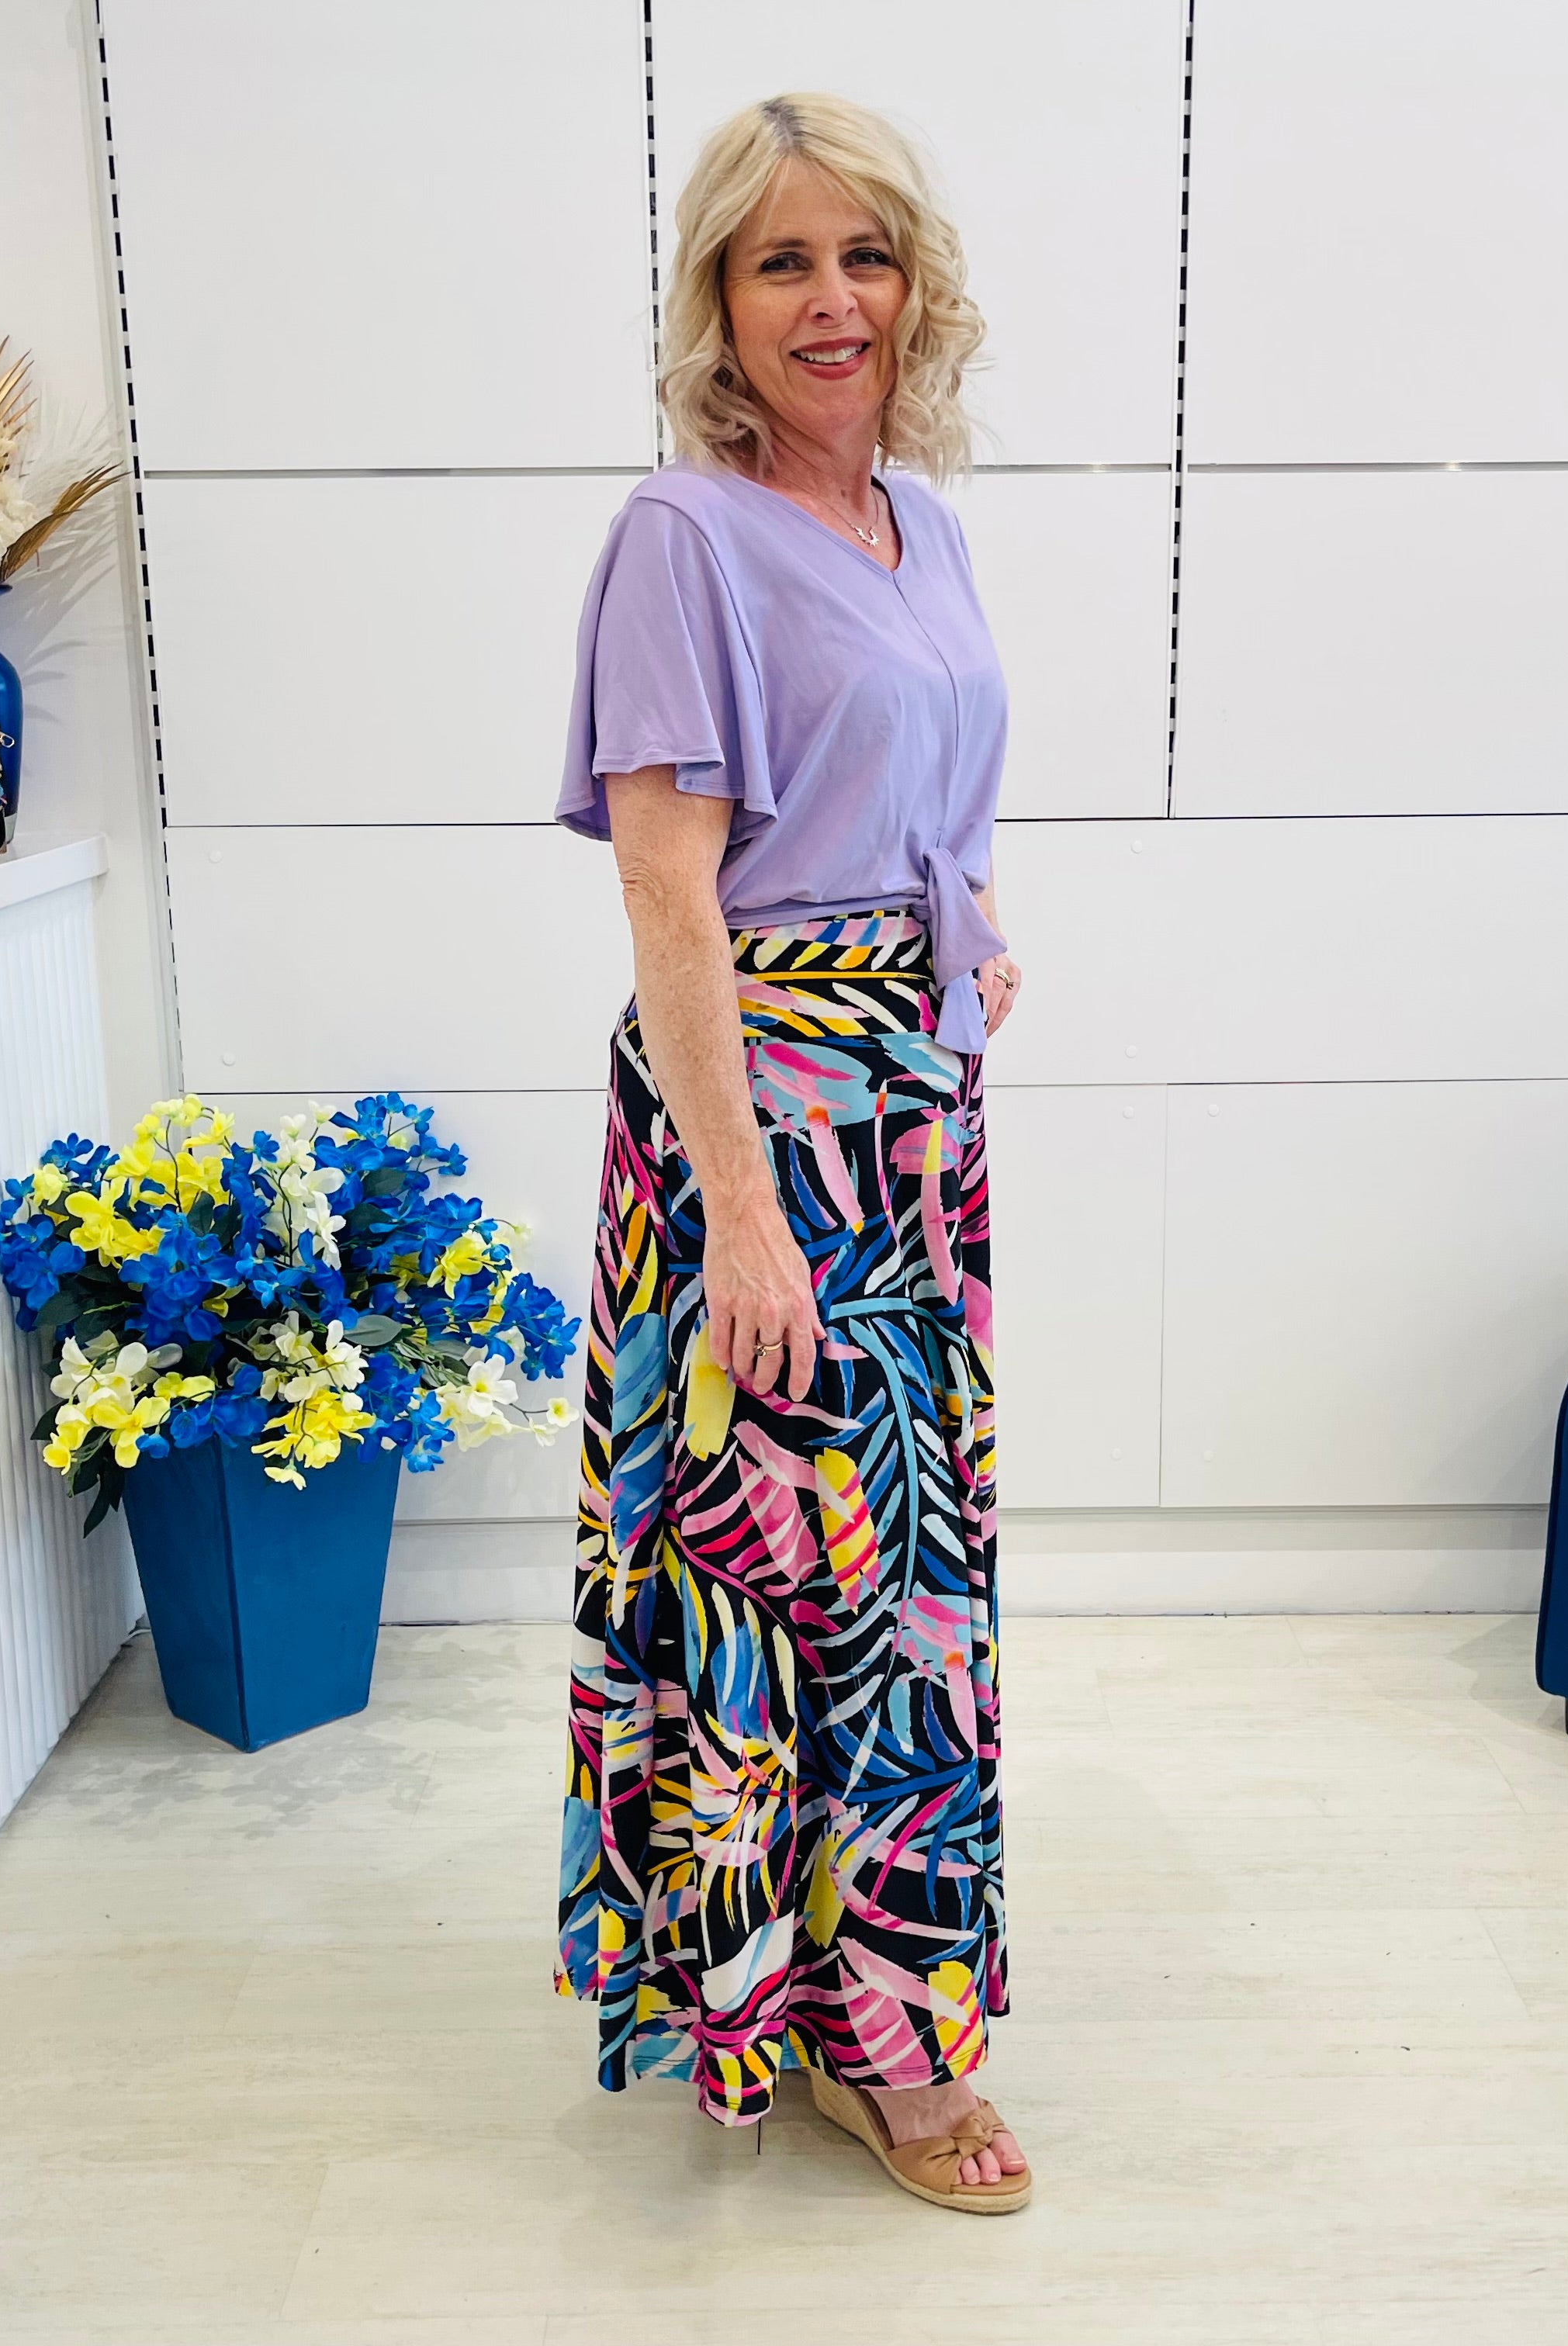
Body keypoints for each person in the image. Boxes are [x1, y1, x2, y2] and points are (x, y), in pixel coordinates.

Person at [551, 90, 1029, 2215]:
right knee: (796, 1581)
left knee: (912, 1581)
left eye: (864, 257)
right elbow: (673, 895)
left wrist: (973, 921)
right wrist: (739, 1209)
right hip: (763, 1118)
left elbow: (936, 789)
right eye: (780, 263)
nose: (830, 301)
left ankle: (879, 1996)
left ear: (912, 285)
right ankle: (865, 2046)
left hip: (915, 1115)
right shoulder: (685, 532)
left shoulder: (920, 523)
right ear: (717, 306)